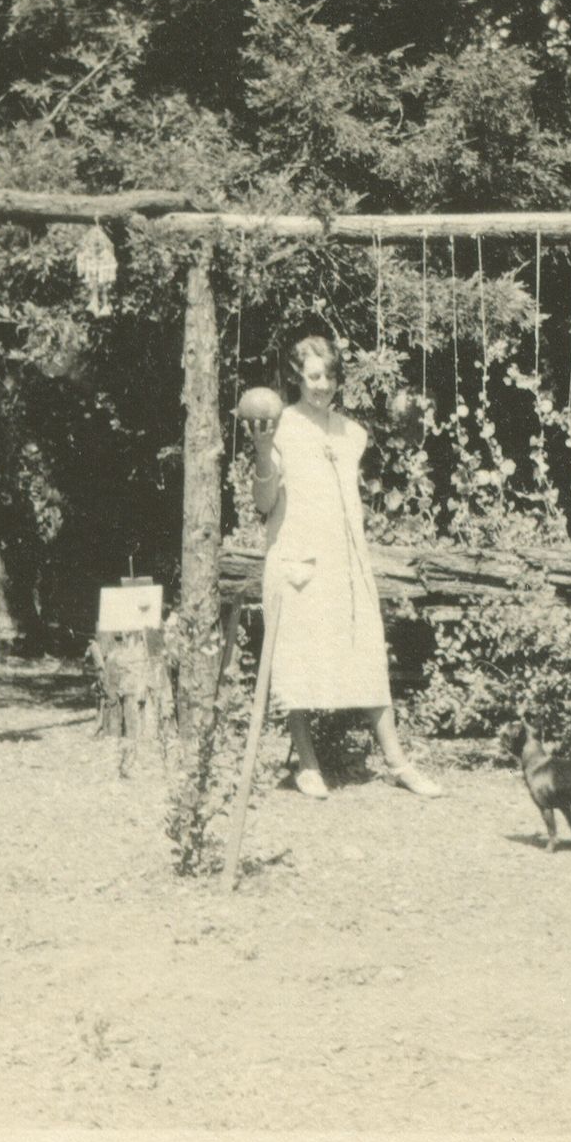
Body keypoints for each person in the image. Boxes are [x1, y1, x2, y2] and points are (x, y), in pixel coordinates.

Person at [240, 330, 444, 800]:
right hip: (297, 560)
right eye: (314, 376)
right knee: (296, 660)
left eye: (330, 376)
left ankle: (397, 762)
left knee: (366, 655)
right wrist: (262, 451)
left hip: (346, 565)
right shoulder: (279, 427)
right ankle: (307, 764)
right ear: (296, 376)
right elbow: (265, 503)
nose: (323, 385)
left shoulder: (352, 434)